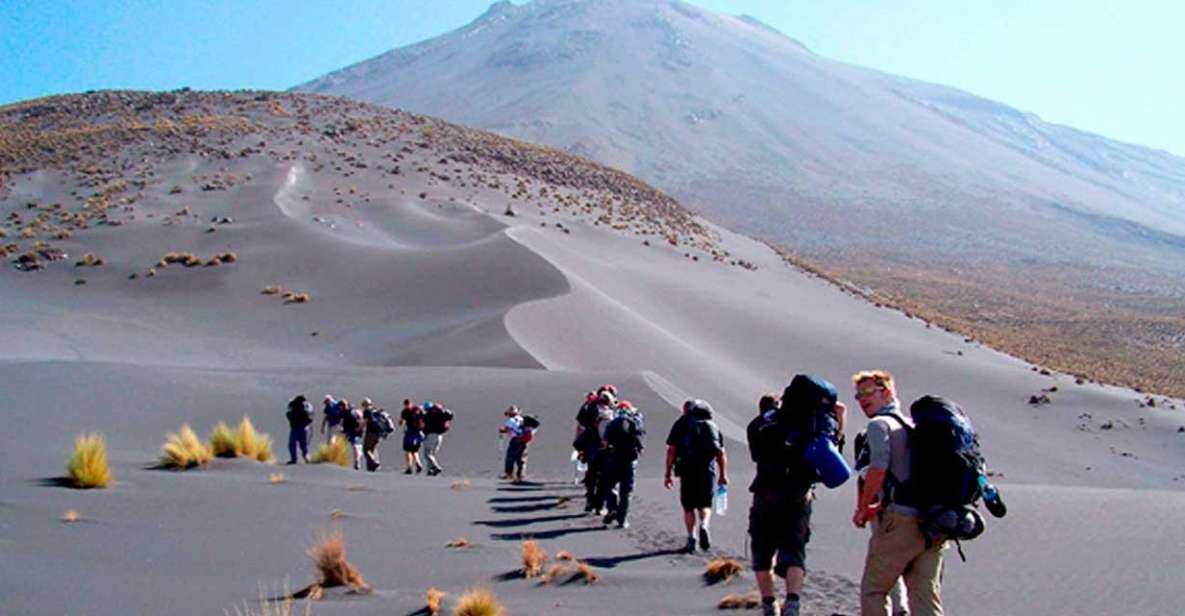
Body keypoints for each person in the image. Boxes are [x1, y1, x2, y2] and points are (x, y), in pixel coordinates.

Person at [747, 377, 847, 616]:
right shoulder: (814, 423)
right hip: (799, 494)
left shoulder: (761, 423)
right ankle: (792, 601)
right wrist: (840, 419)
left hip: (765, 492)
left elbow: (756, 454)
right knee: (795, 549)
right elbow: (833, 450)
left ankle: (768, 603)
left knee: (762, 550)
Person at [851, 370, 944, 616]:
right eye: (858, 395)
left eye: (869, 392)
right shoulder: (916, 427)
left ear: (888, 392)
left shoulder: (879, 425)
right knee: (924, 595)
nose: (863, 399)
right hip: (935, 522)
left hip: (901, 522)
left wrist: (862, 507)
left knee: (874, 589)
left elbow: (878, 467)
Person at [854, 428, 909, 616]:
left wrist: (862, 508)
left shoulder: (865, 442)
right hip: (913, 512)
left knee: (882, 567)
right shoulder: (906, 440)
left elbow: (864, 479)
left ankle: (899, 606)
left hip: (885, 515)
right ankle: (901, 607)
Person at [665, 399, 728, 553]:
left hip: (686, 470)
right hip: (707, 469)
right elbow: (720, 452)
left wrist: (668, 473)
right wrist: (723, 474)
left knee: (688, 507)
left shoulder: (681, 424)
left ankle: (691, 537)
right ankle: (704, 525)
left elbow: (671, 450)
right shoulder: (711, 425)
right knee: (705, 504)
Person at [598, 399, 645, 528]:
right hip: (630, 460)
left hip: (614, 458)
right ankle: (622, 519)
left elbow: (605, 442)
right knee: (626, 492)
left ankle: (612, 508)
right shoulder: (636, 421)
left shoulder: (613, 423)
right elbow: (640, 439)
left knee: (610, 486)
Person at [575, 388, 616, 513]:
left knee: (591, 474)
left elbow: (581, 423)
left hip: (591, 447)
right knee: (604, 477)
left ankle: (590, 501)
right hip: (605, 449)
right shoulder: (611, 413)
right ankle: (599, 505)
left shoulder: (590, 408)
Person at [500, 406, 534, 481]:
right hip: (524, 441)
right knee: (521, 458)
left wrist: (502, 430)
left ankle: (509, 474)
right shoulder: (522, 419)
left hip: (516, 440)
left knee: (510, 457)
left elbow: (507, 429)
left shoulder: (511, 420)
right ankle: (521, 474)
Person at [361, 398, 394, 472]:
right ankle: (371, 467)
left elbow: (365, 422)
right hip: (379, 433)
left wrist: (359, 428)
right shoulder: (375, 410)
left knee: (366, 450)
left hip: (371, 432)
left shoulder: (367, 411)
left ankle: (375, 462)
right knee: (373, 448)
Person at [422, 401, 454, 476]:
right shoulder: (440, 413)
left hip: (431, 436)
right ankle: (430, 470)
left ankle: (436, 467)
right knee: (431, 454)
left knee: (427, 454)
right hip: (439, 436)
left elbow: (425, 427)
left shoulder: (429, 415)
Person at [398, 399, 426, 474]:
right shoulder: (418, 409)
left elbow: (401, 422)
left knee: (408, 450)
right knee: (415, 450)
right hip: (419, 433)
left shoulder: (405, 411)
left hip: (410, 432)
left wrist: (401, 423)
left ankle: (409, 467)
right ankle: (418, 463)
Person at [285, 395, 314, 464]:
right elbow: (310, 418)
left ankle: (294, 459)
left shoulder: (292, 406)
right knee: (302, 445)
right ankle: (306, 458)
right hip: (302, 428)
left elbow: (288, 415)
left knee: (293, 444)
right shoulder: (305, 407)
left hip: (296, 428)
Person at [339, 399, 365, 471]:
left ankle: (357, 462)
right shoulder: (346, 412)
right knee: (350, 446)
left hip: (354, 432)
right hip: (350, 431)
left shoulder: (352, 412)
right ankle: (342, 460)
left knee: (355, 446)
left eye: (341, 406)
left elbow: (361, 420)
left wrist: (359, 428)